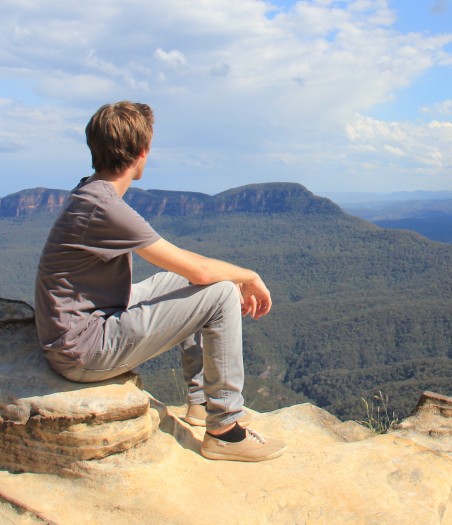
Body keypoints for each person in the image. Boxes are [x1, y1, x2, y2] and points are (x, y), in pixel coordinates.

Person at [34, 101, 285, 462]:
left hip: (79, 328)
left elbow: (187, 268)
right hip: (82, 350)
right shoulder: (104, 207)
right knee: (221, 294)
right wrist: (248, 275)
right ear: (142, 152)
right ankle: (225, 431)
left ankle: (200, 403)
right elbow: (200, 272)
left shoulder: (90, 192)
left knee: (180, 281)